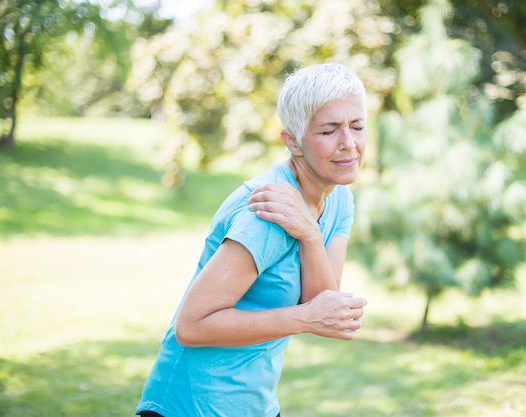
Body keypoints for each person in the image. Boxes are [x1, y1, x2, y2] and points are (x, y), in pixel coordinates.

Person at [135, 62, 369, 417]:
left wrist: (308, 233)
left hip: (256, 404)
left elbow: (322, 300)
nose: (348, 144)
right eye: (329, 130)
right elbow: (191, 326)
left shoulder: (338, 198)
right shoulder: (266, 214)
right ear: (292, 141)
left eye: (357, 126)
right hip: (191, 403)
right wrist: (304, 318)